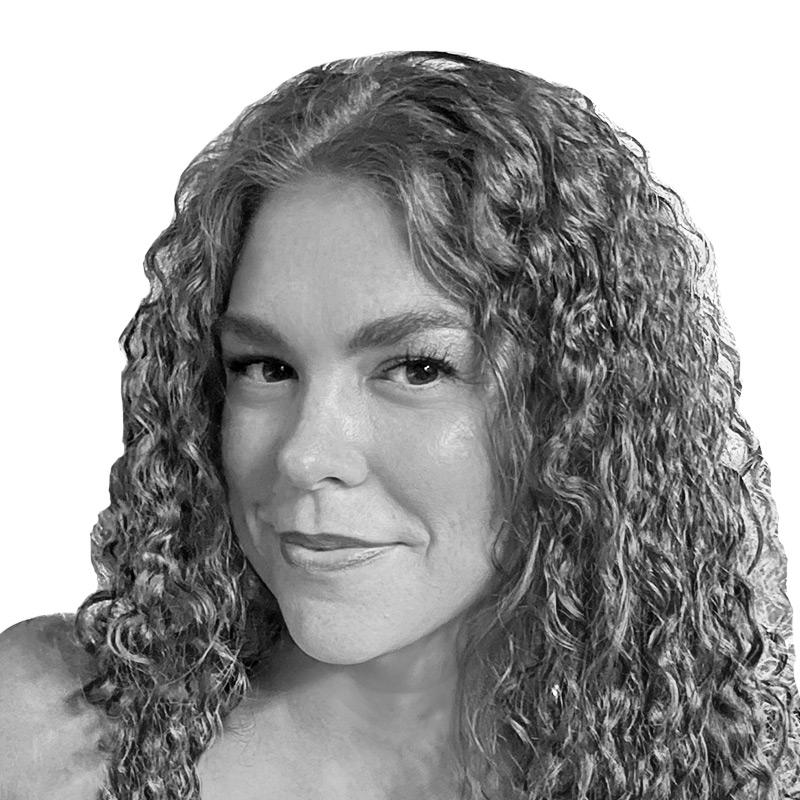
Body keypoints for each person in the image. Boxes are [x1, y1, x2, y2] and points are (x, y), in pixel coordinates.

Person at [0, 49, 798, 800]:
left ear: (580, 410)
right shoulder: (48, 732)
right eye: (266, 367)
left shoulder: (701, 769)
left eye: (416, 369)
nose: (305, 454)